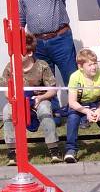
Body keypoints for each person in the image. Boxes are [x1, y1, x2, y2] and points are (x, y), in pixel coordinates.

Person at [19, 0, 78, 99]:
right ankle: (52, 114)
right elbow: (21, 15)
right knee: (44, 80)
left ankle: (78, 113)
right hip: (37, 43)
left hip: (60, 39)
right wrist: (21, 40)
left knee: (71, 76)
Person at [0, 33, 61, 165]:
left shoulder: (42, 65)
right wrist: (15, 100)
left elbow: (52, 89)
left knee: (45, 110)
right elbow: (6, 91)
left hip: (39, 99)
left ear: (29, 53)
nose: (15, 55)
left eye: (19, 52)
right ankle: (12, 152)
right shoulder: (10, 67)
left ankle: (54, 150)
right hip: (17, 100)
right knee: (7, 111)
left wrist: (41, 97)